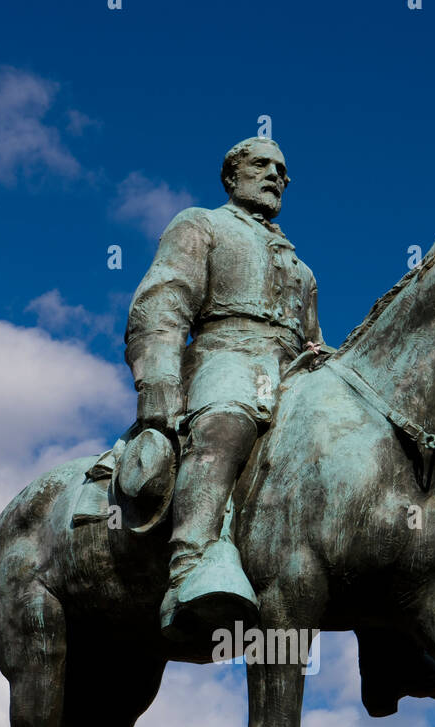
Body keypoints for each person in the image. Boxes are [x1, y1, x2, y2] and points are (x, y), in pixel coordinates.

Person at [125, 136, 325, 640]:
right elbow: (161, 304)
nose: (276, 175)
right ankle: (190, 565)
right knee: (226, 422)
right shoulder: (202, 224)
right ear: (232, 176)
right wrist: (159, 385)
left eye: (282, 170)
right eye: (262, 165)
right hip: (224, 355)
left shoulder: (303, 270)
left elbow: (316, 341)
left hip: (293, 370)